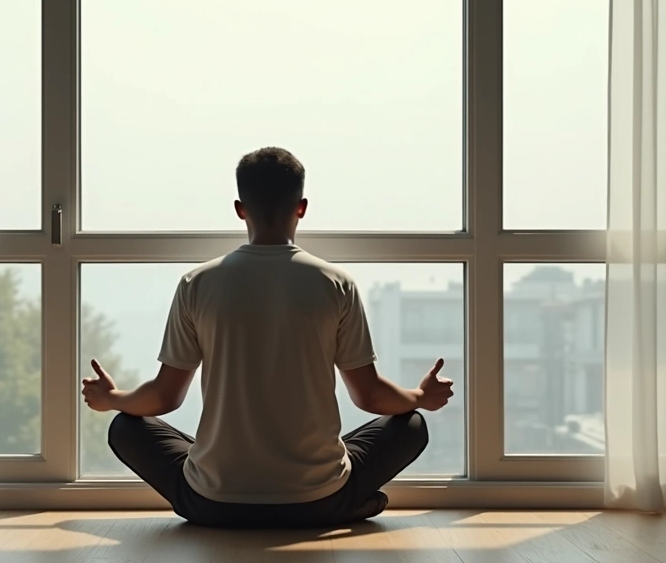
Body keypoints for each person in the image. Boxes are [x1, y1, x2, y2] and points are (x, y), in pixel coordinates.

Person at [81, 146, 454, 528]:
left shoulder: (197, 283)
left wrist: (112, 398)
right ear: (302, 207)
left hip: (213, 504)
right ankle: (340, 506)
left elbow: (165, 397)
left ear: (240, 208)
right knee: (410, 425)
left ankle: (233, 485)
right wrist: (422, 397)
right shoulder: (336, 284)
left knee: (126, 427)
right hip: (317, 497)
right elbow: (370, 396)